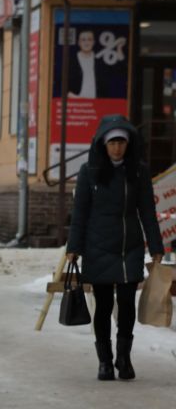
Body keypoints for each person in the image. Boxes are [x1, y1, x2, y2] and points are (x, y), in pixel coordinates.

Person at [66, 115, 164, 381]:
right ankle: (105, 361)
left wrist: (156, 246)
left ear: (129, 143)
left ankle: (124, 358)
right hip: (98, 247)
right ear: (103, 144)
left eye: (121, 142)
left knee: (127, 304)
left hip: (128, 247)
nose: (117, 147)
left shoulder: (138, 171)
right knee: (104, 305)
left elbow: (147, 210)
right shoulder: (90, 172)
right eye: (112, 142)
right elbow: (80, 212)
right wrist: (73, 247)